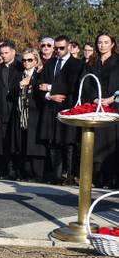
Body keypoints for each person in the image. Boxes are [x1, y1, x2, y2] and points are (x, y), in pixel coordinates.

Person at [38, 35, 83, 185]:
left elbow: (73, 85)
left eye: (61, 48)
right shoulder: (50, 63)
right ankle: (57, 176)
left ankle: (69, 175)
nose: (58, 51)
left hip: (68, 106)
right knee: (53, 143)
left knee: (68, 143)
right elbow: (40, 84)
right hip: (51, 108)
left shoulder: (77, 64)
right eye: (56, 48)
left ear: (69, 46)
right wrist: (49, 96)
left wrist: (51, 88)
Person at [82, 32, 119, 188]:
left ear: (112, 44)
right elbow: (85, 83)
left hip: (114, 105)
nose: (102, 45)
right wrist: (94, 98)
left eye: (106, 42)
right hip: (96, 106)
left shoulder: (118, 61)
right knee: (96, 142)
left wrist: (112, 98)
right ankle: (97, 178)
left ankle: (113, 179)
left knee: (112, 143)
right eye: (99, 42)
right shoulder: (92, 62)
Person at [0, 41, 23, 179]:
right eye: (1, 53)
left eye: (6, 53)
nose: (3, 56)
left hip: (16, 111)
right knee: (1, 142)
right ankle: (4, 170)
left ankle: (16, 170)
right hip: (0, 110)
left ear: (14, 52)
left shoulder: (21, 68)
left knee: (15, 142)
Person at [16, 49, 47, 181]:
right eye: (24, 60)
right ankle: (26, 173)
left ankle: (38, 174)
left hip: (35, 114)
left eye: (29, 60)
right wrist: (20, 85)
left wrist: (32, 83)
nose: (26, 63)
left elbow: (42, 93)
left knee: (35, 145)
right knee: (23, 144)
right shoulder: (19, 75)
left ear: (36, 61)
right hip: (21, 115)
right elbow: (10, 95)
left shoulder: (40, 75)